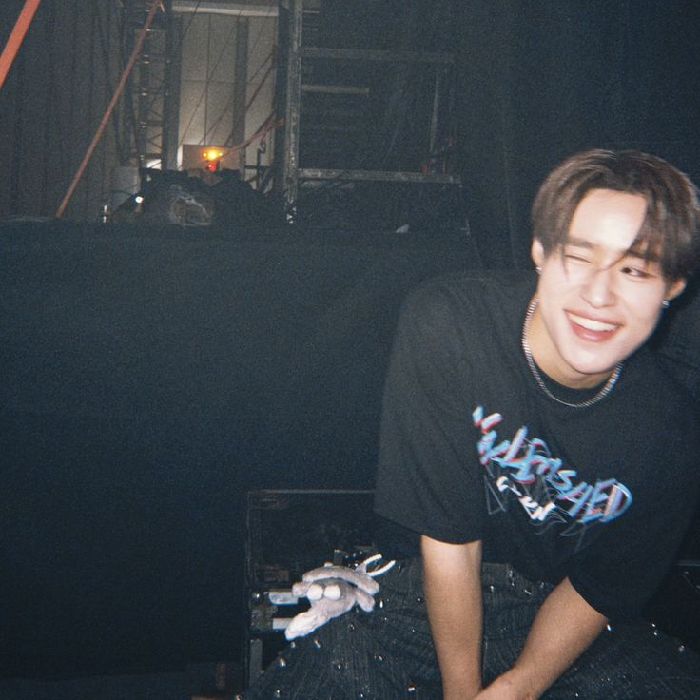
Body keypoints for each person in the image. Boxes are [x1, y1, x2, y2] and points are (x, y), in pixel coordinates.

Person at [245, 149, 700, 699]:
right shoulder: (452, 327)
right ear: (540, 253)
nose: (598, 296)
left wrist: (518, 687)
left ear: (672, 286)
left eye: (633, 270)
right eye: (579, 258)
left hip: (565, 618)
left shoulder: (673, 429)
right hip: (420, 592)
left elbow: (599, 588)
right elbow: (452, 546)